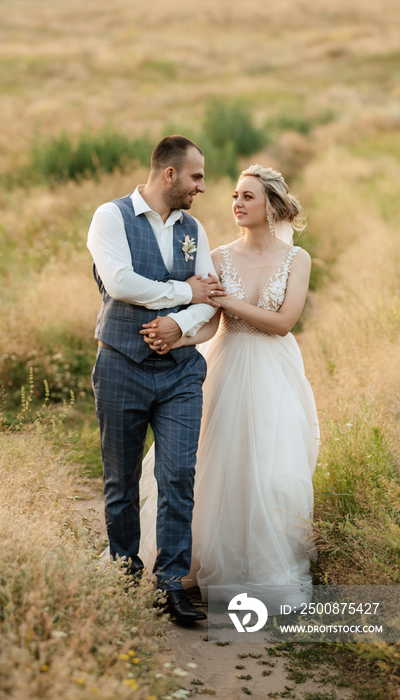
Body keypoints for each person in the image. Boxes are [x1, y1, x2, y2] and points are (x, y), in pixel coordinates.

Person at [139, 164, 320, 613]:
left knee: (274, 472)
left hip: (274, 372)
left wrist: (227, 299)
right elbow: (209, 326)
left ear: (271, 206)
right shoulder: (217, 257)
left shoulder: (298, 260)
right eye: (235, 196)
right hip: (226, 363)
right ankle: (193, 565)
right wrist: (173, 336)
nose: (236, 204)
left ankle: (261, 569)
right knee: (215, 465)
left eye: (247, 197)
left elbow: (283, 323)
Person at [87, 135, 227, 623]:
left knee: (177, 477)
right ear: (170, 174)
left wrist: (179, 325)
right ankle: (125, 573)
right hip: (120, 365)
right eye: (196, 177)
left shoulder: (195, 229)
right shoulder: (111, 217)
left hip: (181, 374)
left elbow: (209, 296)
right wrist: (179, 291)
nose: (202, 187)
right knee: (121, 479)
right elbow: (121, 282)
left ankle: (171, 581)